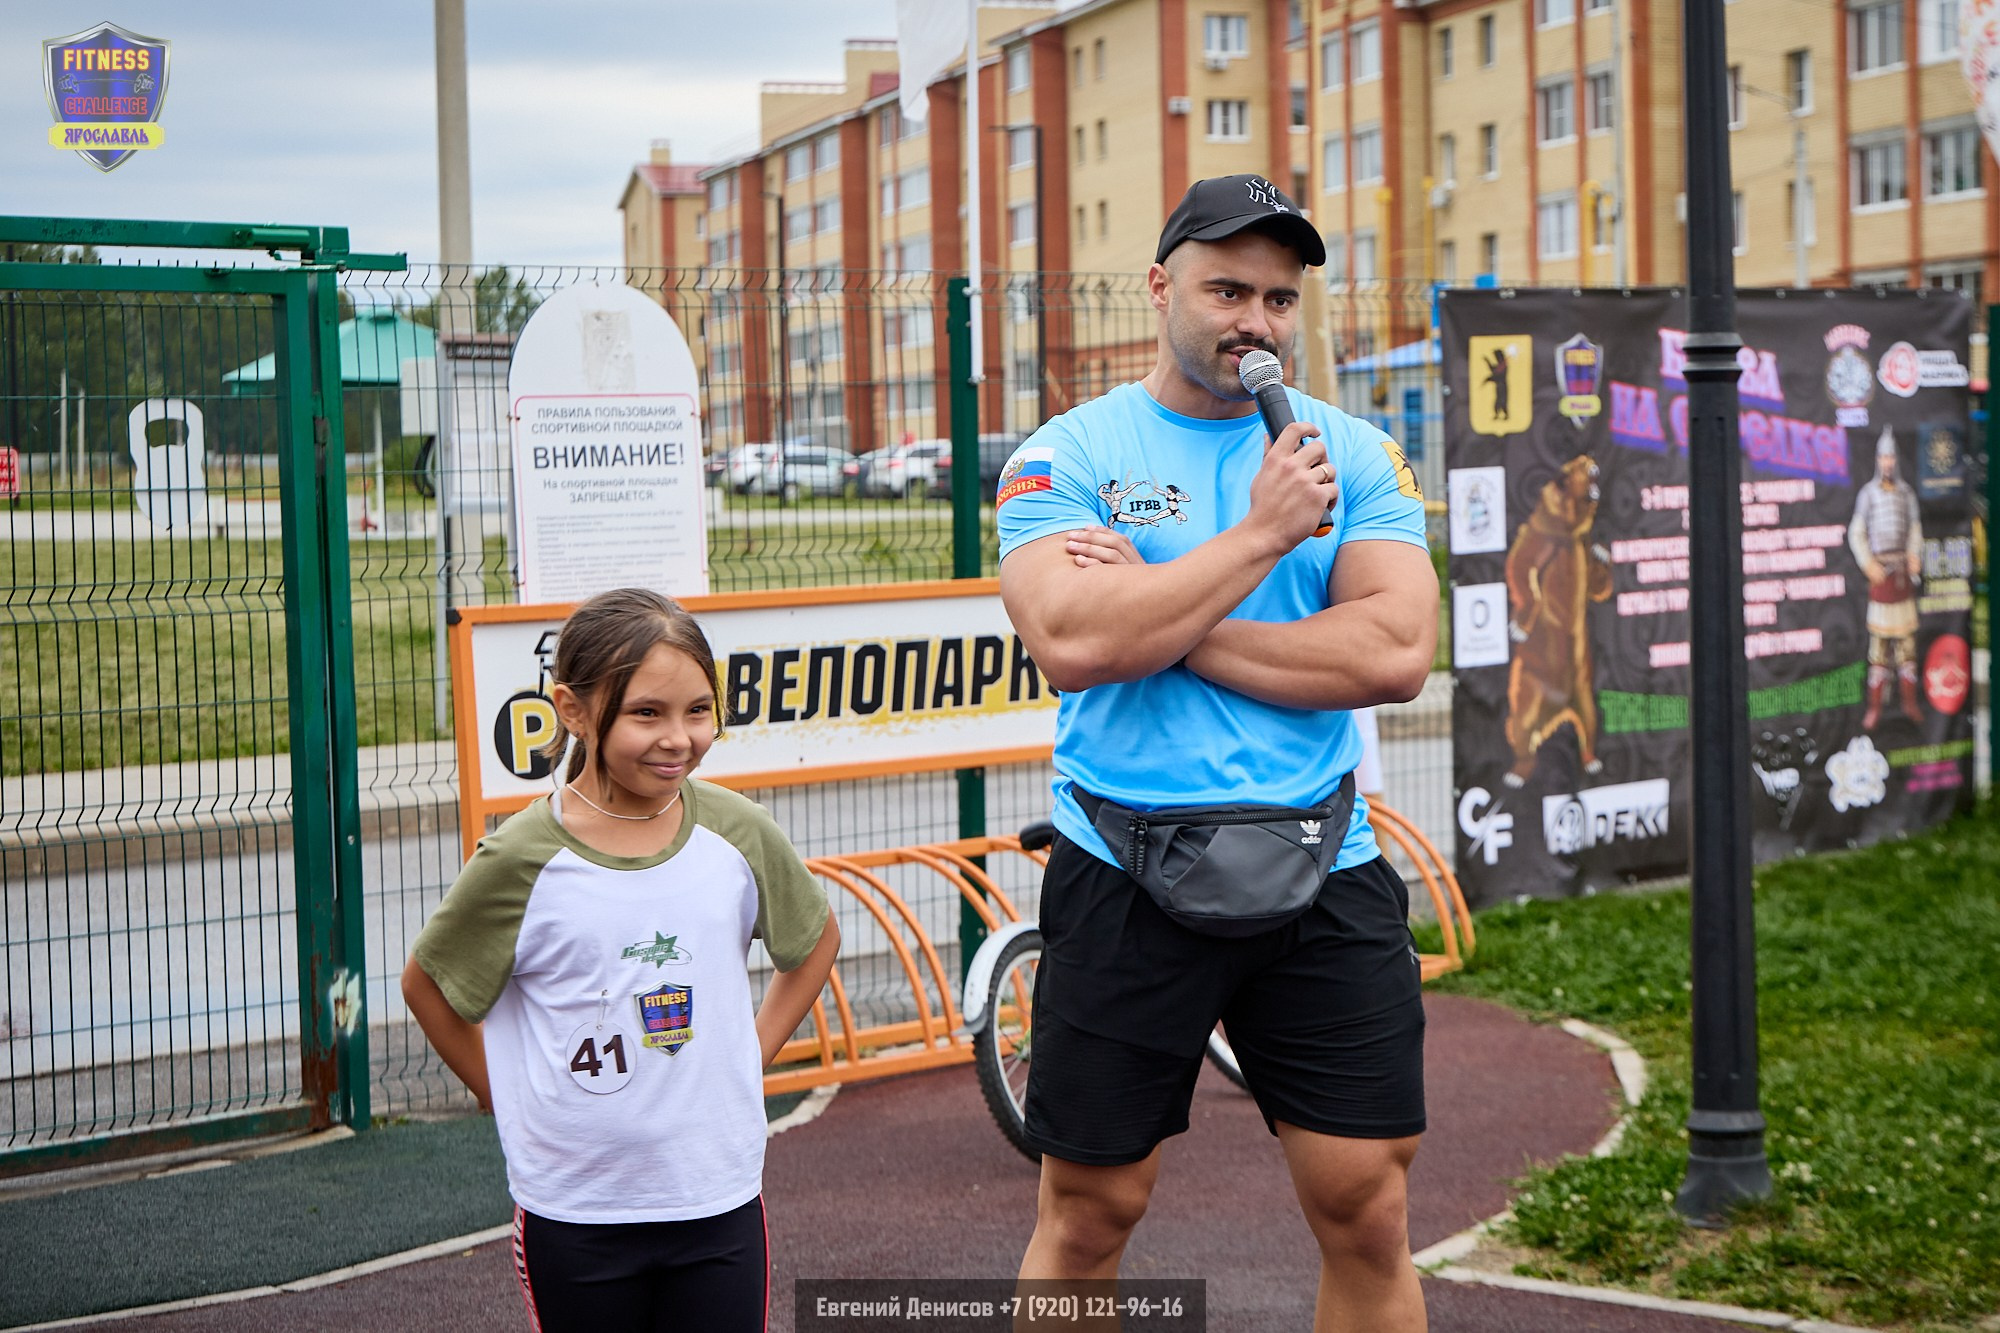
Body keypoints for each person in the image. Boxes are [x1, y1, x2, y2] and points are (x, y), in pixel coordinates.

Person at [996, 174, 1437, 1331]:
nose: (1255, 321)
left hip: (1322, 862)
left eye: (1279, 299)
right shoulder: (1067, 452)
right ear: (1159, 287)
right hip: (1120, 865)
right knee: (1090, 1211)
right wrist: (1259, 535)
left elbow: (1392, 652)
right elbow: (1072, 639)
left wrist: (1167, 617)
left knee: (1367, 1206)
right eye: (1226, 288)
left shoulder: (1350, 453)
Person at [402, 588, 839, 1333]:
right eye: (647, 713)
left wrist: (748, 1055)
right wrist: (502, 1092)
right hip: (576, 1210)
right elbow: (429, 987)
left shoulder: (738, 832)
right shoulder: (519, 858)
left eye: (698, 710)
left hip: (718, 1200)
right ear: (572, 709)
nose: (679, 737)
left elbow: (814, 942)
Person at [1848, 425, 1923, 729]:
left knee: (1906, 646)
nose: (1888, 463)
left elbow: (1915, 530)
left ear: (1897, 460)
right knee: (1878, 648)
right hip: (1881, 578)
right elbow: (1856, 532)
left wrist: (1915, 555)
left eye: (1892, 457)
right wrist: (1868, 564)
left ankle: (1909, 703)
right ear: (1878, 461)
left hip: (1903, 577)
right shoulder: (1868, 495)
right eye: (1884, 458)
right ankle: (1875, 708)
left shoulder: (1907, 494)